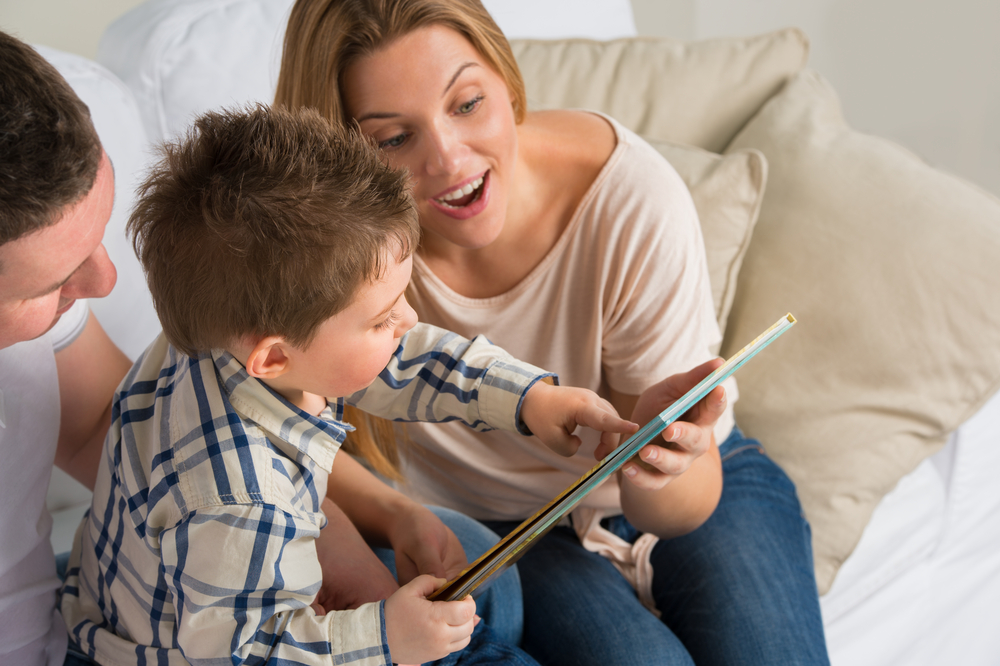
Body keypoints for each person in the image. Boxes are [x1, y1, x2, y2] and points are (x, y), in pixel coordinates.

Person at [273, 1, 831, 664]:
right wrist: (397, 517)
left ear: (505, 82)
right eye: (395, 139)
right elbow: (275, 427)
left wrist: (659, 460)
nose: (449, 159)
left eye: (469, 103)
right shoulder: (322, 255)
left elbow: (681, 506)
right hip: (507, 531)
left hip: (699, 491)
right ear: (340, 153)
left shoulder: (629, 200)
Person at [59, 104, 638, 666]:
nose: (407, 320)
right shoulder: (238, 500)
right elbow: (244, 655)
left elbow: (403, 360)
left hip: (172, 593)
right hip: (198, 645)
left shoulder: (221, 330)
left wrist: (529, 398)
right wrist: (385, 639)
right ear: (274, 357)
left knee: (487, 598)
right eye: (383, 318)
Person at [0, 30, 134, 666]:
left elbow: (110, 430)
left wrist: (378, 515)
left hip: (62, 621)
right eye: (55, 283)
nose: (103, 283)